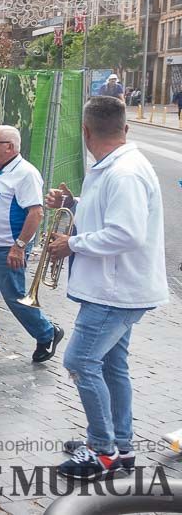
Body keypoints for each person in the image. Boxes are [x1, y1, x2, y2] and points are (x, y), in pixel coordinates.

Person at [45, 96, 167, 479]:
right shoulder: (115, 167)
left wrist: (72, 244)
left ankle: (104, 453)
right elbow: (110, 210)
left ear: (85, 131)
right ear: (125, 128)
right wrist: (72, 201)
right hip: (116, 288)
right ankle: (121, 445)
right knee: (113, 365)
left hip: (117, 291)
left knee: (80, 361)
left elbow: (125, 232)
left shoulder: (123, 172)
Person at [0, 125, 63, 361]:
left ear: (9, 147)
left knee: (15, 297)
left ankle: (48, 333)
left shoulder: (25, 174)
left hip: (9, 247)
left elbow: (36, 213)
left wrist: (19, 246)